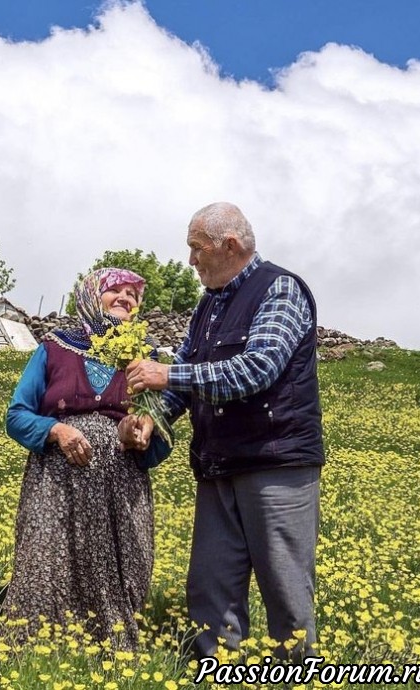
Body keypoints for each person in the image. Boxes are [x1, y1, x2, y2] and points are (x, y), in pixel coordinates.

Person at [121, 202, 325, 661]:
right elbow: (191, 377)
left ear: (228, 246)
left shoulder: (279, 290)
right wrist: (154, 419)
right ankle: (215, 671)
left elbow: (256, 369)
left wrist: (167, 375)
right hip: (218, 463)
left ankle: (297, 672)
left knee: (286, 590)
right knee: (211, 589)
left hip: (276, 465)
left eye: (197, 249)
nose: (191, 261)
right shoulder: (208, 305)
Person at [2, 268, 156, 650]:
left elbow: (161, 432)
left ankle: (111, 649)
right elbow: (17, 414)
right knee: (46, 559)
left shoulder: (146, 358)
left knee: (122, 571)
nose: (125, 298)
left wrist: (140, 434)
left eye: (132, 295)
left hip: (121, 485)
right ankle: (33, 648)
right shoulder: (55, 347)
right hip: (56, 481)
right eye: (115, 291)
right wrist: (56, 431)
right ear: (91, 296)